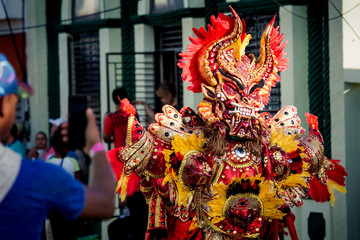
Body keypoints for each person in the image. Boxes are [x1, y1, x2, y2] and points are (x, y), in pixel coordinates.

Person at [0, 53, 116, 240]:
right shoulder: (36, 176)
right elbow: (104, 204)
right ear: (5, 104)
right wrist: (95, 146)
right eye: (16, 101)